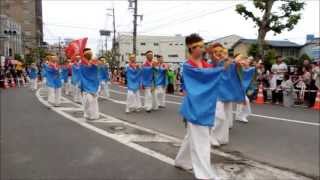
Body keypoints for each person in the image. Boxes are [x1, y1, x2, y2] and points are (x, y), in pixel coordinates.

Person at [175, 33, 225, 180]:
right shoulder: (187, 66)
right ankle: (205, 175)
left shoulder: (205, 64)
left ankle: (181, 161)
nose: (203, 49)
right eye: (201, 46)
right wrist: (220, 67)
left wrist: (217, 64)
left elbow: (211, 72)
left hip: (204, 107)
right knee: (202, 141)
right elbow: (204, 76)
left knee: (193, 137)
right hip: (194, 108)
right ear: (192, 48)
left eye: (203, 46)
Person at [79, 48, 100, 120]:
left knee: (94, 100)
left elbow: (97, 66)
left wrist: (92, 62)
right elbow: (82, 71)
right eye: (87, 53)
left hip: (94, 83)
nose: (89, 54)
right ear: (84, 55)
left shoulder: (94, 61)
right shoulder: (81, 63)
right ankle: (87, 113)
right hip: (85, 84)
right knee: (88, 100)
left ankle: (94, 115)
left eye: (90, 53)